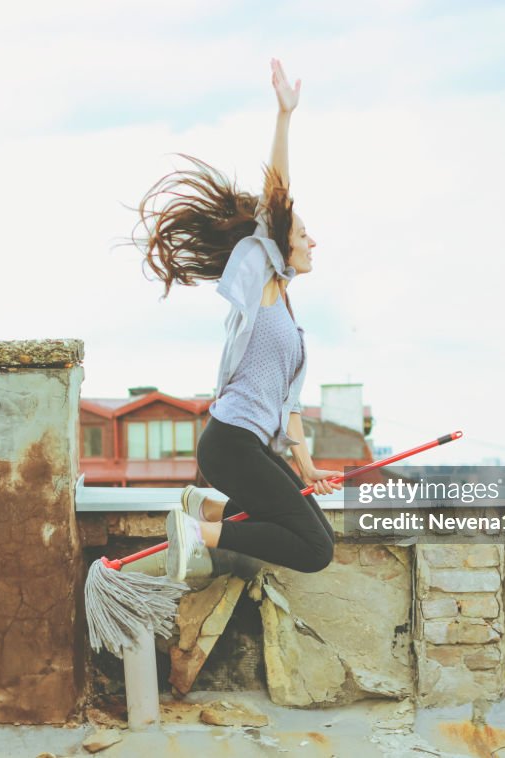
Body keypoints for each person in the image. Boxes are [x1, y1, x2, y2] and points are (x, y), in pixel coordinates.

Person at [134, 59, 343, 582]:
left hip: (248, 442)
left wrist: (309, 467)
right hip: (230, 440)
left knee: (318, 535)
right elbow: (278, 192)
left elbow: (287, 402)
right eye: (303, 235)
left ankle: (206, 510)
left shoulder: (289, 318)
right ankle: (197, 531)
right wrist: (284, 116)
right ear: (278, 243)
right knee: (314, 549)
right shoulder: (259, 287)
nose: (312, 242)